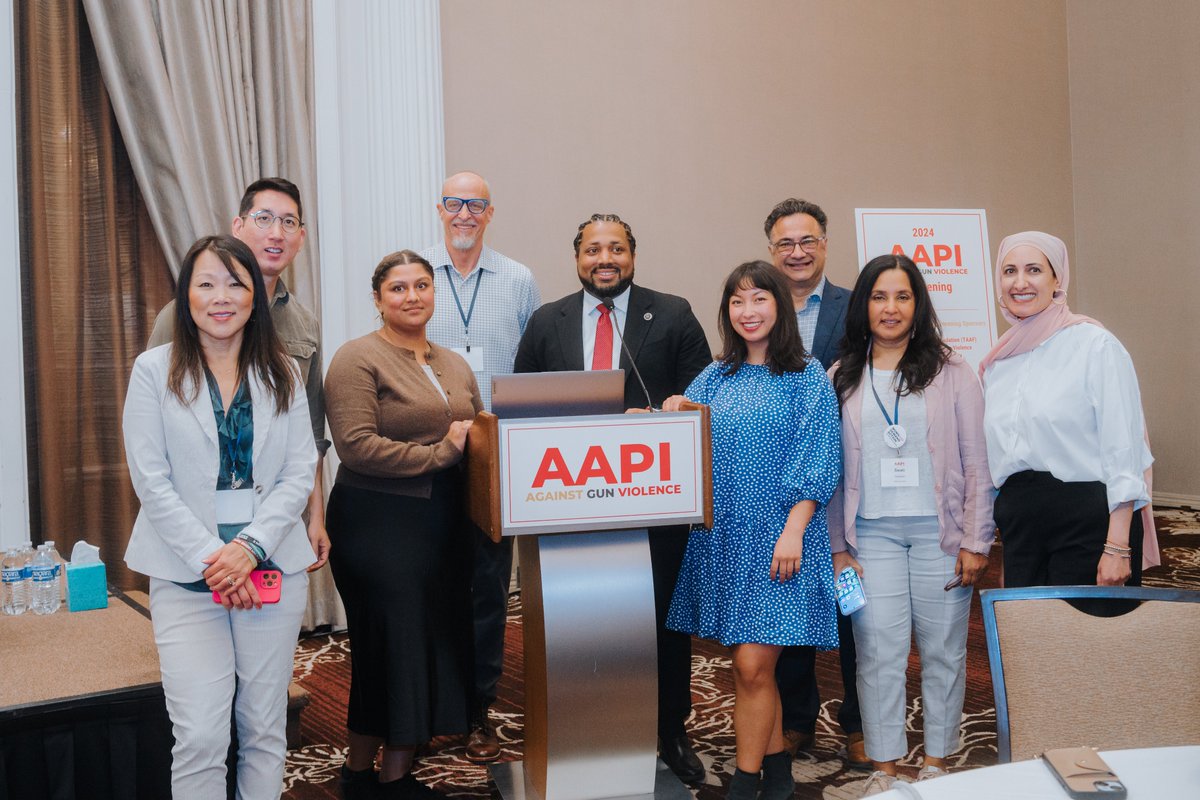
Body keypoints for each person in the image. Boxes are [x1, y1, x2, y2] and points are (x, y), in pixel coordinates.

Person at [513, 213, 712, 783]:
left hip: (654, 501)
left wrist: (663, 411)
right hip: (567, 504)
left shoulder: (671, 313)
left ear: (633, 255)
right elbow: (521, 405)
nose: (606, 259)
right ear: (576, 258)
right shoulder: (546, 321)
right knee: (576, 619)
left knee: (662, 622)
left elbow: (700, 395)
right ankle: (576, 725)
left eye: (617, 249)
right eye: (594, 250)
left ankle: (670, 728)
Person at [123, 235, 318, 799]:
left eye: (236, 283)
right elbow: (150, 480)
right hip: (187, 577)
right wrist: (218, 560)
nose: (221, 296)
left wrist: (249, 549)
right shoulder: (153, 370)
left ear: (255, 295)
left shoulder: (282, 369)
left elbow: (298, 471)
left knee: (263, 728)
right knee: (201, 735)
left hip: (271, 571)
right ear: (185, 296)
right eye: (206, 283)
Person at [663, 260, 841, 800]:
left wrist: (794, 529)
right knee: (752, 669)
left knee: (751, 662)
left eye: (759, 299)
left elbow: (820, 457)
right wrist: (670, 409)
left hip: (782, 537)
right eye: (737, 302)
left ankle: (745, 783)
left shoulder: (806, 375)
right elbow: (684, 429)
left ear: (779, 307)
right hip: (726, 537)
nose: (748, 311)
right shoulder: (716, 376)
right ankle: (780, 771)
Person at [825, 255, 995, 796]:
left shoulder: (952, 373)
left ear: (918, 304)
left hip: (938, 535)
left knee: (944, 649)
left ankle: (940, 761)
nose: (891, 308)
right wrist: (836, 547)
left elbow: (977, 464)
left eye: (902, 296)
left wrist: (976, 539)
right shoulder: (840, 375)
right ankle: (886, 766)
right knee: (877, 649)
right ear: (864, 305)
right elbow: (830, 472)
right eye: (879, 296)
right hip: (868, 535)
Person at [325, 250, 481, 799]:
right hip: (377, 523)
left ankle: (363, 774)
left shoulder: (453, 362)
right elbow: (356, 446)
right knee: (393, 645)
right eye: (398, 288)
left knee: (409, 647)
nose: (412, 296)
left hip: (441, 525)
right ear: (377, 299)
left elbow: (478, 433)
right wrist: (442, 453)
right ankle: (388, 781)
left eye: (421, 285)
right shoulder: (357, 358)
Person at [148, 177, 330, 573]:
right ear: (238, 226)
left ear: (301, 237)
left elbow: (311, 436)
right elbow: (152, 430)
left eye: (288, 223)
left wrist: (316, 518)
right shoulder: (177, 319)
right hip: (197, 525)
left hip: (274, 521)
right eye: (264, 218)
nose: (275, 233)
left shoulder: (303, 325)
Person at [419, 171, 540, 762]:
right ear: (439, 209)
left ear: (490, 213)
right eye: (454, 203)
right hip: (431, 456)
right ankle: (429, 706)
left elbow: (535, 364)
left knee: (490, 587)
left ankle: (480, 708)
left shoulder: (518, 280)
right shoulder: (418, 280)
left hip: (498, 457)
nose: (464, 213)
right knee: (432, 584)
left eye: (476, 205)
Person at [979, 231, 1157, 591]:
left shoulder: (1095, 345)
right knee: (1031, 642)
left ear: (1057, 278)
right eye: (1009, 271)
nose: (1020, 282)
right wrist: (1014, 546)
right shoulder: (999, 361)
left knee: (1086, 642)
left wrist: (1118, 545)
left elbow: (1124, 450)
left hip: (1088, 521)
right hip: (1022, 522)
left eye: (1034, 270)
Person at [764, 197, 864, 766]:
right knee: (791, 601)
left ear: (825, 244)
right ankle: (799, 718)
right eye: (785, 243)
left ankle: (858, 720)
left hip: (849, 481)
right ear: (771, 251)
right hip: (778, 483)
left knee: (853, 607)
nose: (797, 252)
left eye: (808, 241)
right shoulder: (758, 307)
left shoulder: (858, 308)